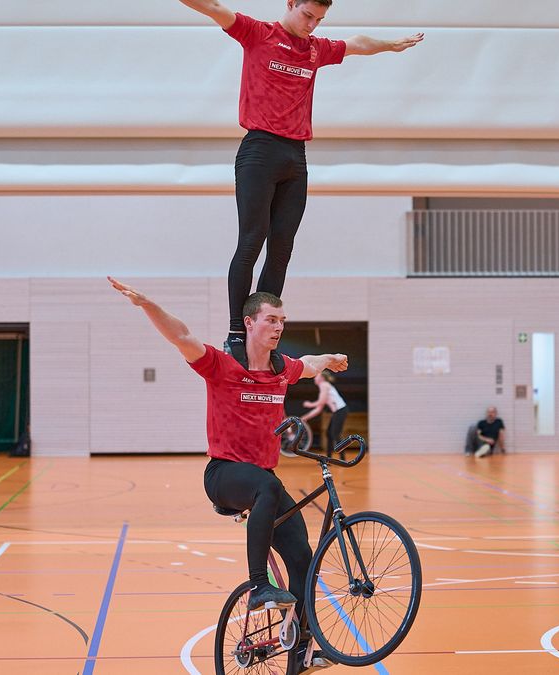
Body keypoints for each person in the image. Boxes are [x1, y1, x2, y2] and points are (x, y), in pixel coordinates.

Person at [107, 277, 347, 670]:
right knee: (267, 487)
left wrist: (330, 358)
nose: (279, 327)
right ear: (249, 323)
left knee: (304, 559)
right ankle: (258, 585)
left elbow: (309, 365)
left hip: (263, 480)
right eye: (271, 320)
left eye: (282, 321)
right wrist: (146, 303)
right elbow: (180, 335)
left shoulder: (281, 369)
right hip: (224, 476)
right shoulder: (222, 364)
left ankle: (300, 649)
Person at [175, 0, 423, 368]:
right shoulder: (258, 34)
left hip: (296, 157)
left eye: (319, 20)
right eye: (308, 15)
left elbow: (356, 43)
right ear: (290, 3)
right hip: (259, 150)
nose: (312, 25)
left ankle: (263, 333)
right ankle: (236, 334)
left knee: (282, 249)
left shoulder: (315, 49)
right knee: (251, 241)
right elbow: (213, 7)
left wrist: (391, 44)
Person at [300, 371, 348, 457]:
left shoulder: (324, 385)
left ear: (321, 378)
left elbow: (320, 402)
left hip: (341, 410)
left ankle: (343, 458)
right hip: (337, 411)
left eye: (316, 376)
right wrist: (306, 417)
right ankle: (329, 458)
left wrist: (309, 404)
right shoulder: (323, 386)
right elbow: (319, 409)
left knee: (335, 434)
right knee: (329, 433)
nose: (314, 378)